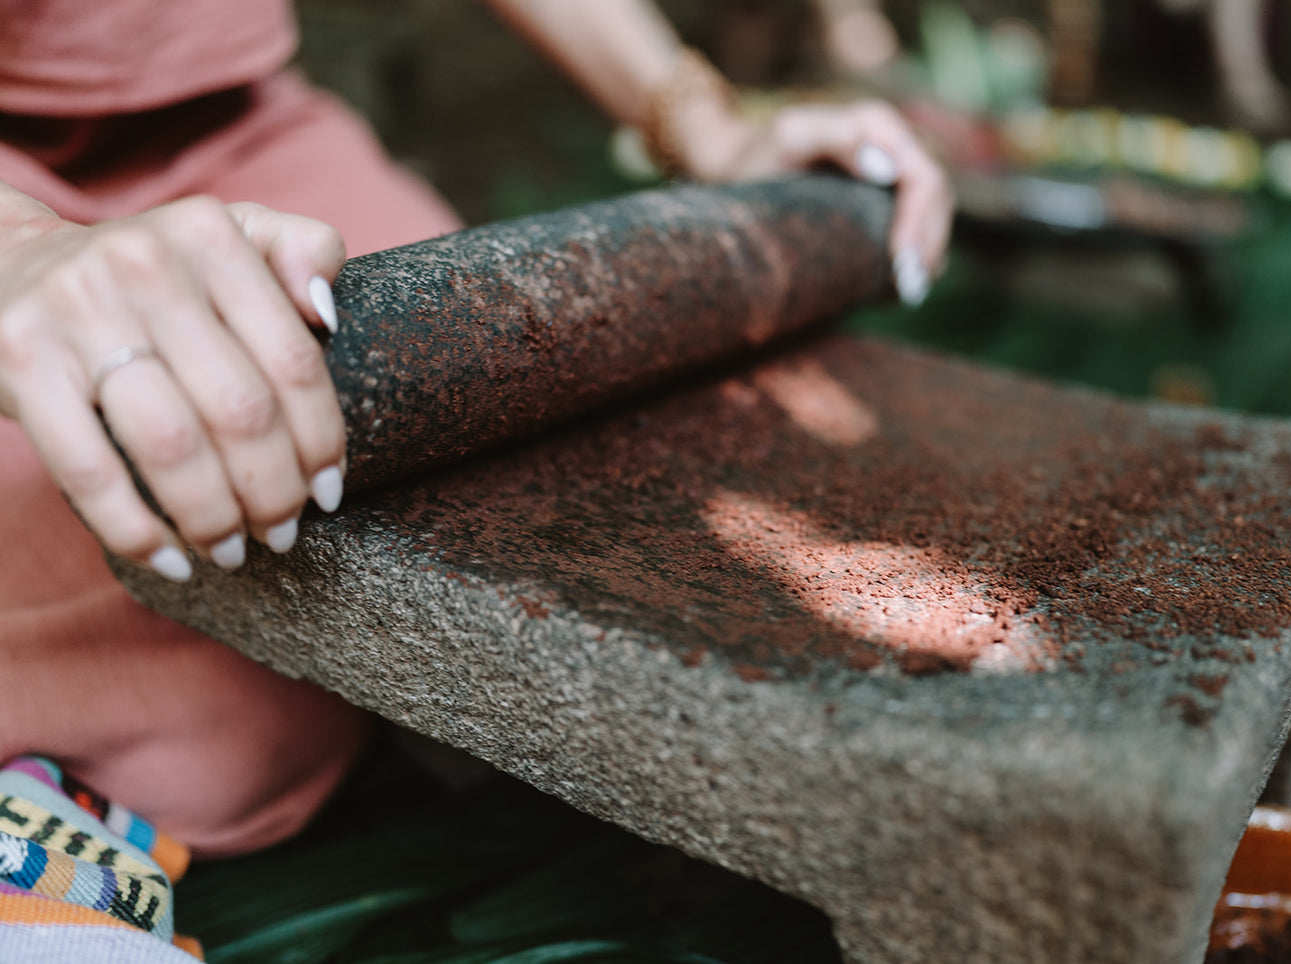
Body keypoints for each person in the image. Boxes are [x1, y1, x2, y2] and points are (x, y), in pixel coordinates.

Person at [0, 0, 952, 956]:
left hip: (241, 131)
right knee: (185, 651)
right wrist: (22, 251)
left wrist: (704, 124)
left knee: (473, 459)